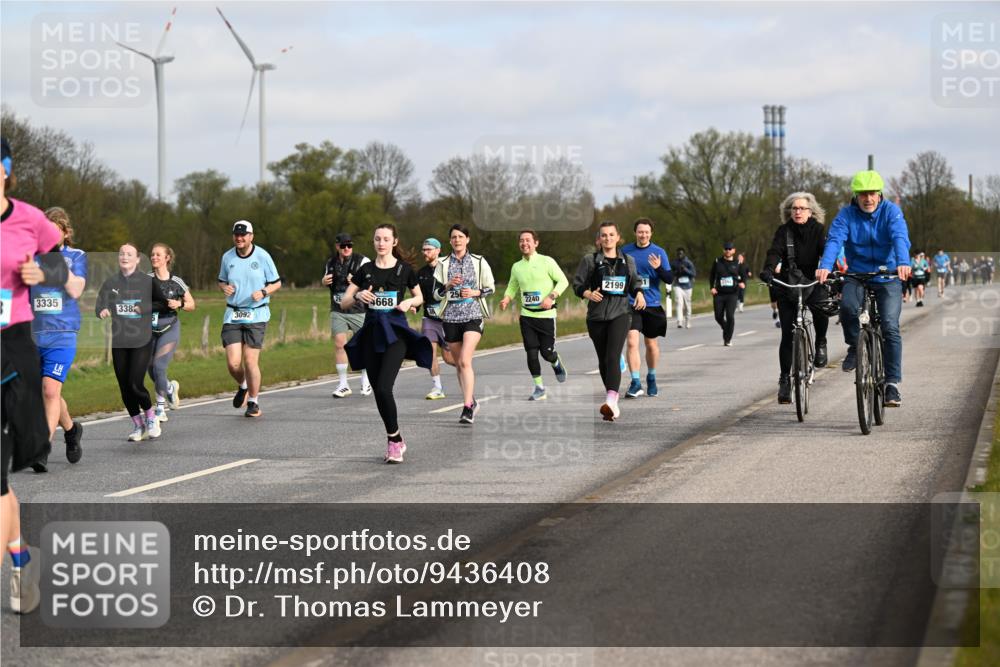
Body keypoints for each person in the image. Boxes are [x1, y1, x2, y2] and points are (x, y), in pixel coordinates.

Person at [2, 136, 70, 614]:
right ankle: (22, 560)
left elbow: (61, 264)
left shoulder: (30, 219)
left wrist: (42, 274)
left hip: (10, 348)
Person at [816, 170, 911, 407]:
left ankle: (892, 384)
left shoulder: (891, 212)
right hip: (857, 274)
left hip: (887, 275)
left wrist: (903, 262)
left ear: (879, 194)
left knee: (889, 325)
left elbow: (900, 237)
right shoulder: (846, 215)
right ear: (855, 196)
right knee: (847, 308)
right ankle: (854, 346)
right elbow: (835, 239)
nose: (867, 198)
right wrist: (826, 266)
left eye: (872, 194)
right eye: (862, 194)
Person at [341, 224, 431, 463]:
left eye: (385, 239)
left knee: (383, 388)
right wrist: (358, 295)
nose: (381, 243)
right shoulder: (366, 270)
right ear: (373, 242)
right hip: (371, 334)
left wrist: (409, 302)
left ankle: (392, 442)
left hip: (395, 334)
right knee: (378, 393)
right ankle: (397, 437)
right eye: (377, 239)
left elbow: (420, 296)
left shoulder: (404, 270)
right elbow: (344, 301)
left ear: (394, 242)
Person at [760, 192, 832, 403]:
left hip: (811, 279)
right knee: (787, 334)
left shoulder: (818, 230)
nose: (798, 211)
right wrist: (768, 269)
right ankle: (784, 380)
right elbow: (774, 251)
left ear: (811, 212)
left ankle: (820, 341)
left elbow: (826, 252)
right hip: (788, 283)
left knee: (821, 307)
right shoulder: (784, 231)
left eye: (802, 208)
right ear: (789, 211)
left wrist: (829, 270)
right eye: (794, 208)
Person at [572, 221, 646, 421]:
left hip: (620, 314)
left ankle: (611, 401)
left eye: (611, 235)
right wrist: (588, 293)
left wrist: (639, 294)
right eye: (604, 235)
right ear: (599, 239)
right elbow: (577, 284)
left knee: (613, 356)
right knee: (604, 360)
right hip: (596, 317)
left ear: (618, 237)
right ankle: (612, 404)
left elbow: (635, 283)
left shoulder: (627, 260)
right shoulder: (590, 260)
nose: (608, 238)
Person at [30, 207, 86, 469]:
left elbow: (76, 290)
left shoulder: (75, 257)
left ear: (65, 233)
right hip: (32, 333)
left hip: (62, 333)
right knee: (45, 391)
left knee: (50, 389)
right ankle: (72, 429)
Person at [97, 243, 167, 441]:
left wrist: (142, 308)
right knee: (124, 387)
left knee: (135, 383)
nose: (124, 256)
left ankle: (151, 417)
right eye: (121, 254)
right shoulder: (111, 283)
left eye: (129, 254)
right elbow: (100, 304)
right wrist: (102, 310)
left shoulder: (147, 282)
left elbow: (162, 303)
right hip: (120, 341)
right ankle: (138, 425)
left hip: (141, 340)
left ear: (137, 260)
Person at [433, 224, 495, 425]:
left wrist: (476, 292)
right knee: (459, 363)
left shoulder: (478, 261)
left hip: (473, 315)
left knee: (466, 361)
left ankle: (467, 407)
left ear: (467, 239)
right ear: (449, 241)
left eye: (460, 236)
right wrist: (447, 285)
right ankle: (472, 400)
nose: (457, 240)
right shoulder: (442, 263)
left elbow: (490, 288)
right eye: (453, 237)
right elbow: (435, 294)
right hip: (450, 317)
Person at [218, 220, 281, 418]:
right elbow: (221, 280)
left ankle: (253, 402)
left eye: (243, 234)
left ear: (251, 236)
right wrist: (224, 287)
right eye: (236, 234)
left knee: (250, 361)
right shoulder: (227, 257)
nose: (239, 238)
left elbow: (276, 283)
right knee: (233, 364)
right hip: (233, 313)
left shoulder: (262, 256)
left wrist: (263, 291)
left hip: (257, 313)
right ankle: (243, 385)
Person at [499, 229, 569, 400]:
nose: (524, 243)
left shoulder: (547, 261)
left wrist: (551, 297)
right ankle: (539, 388)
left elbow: (563, 281)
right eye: (521, 241)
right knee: (531, 352)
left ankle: (555, 361)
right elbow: (513, 286)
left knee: (546, 353)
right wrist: (506, 298)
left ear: (536, 243)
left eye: (528, 240)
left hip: (546, 316)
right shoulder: (517, 267)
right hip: (527, 316)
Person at [621, 218, 672, 398]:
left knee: (651, 344)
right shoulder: (625, 251)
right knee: (632, 342)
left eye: (646, 232)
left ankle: (651, 376)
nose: (643, 235)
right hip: (631, 303)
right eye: (640, 231)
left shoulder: (659, 252)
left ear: (651, 233)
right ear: (635, 232)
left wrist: (659, 269)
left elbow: (669, 279)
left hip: (652, 304)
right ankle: (635, 381)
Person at [148, 243, 195, 422]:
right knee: (151, 370)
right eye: (152, 255)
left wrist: (180, 304)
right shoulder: (146, 279)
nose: (154, 257)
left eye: (158, 255)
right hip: (150, 329)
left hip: (170, 327)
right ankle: (169, 388)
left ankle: (160, 408)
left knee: (159, 366)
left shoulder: (176, 282)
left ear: (167, 258)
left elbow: (192, 304)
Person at [323, 233, 372, 399]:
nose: (346, 249)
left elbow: (371, 282)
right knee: (339, 344)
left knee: (363, 345)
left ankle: (366, 380)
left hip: (359, 309)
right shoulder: (330, 262)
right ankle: (343, 384)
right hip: (338, 309)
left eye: (349, 246)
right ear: (337, 246)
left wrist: (358, 282)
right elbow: (327, 280)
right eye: (343, 246)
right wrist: (324, 281)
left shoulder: (362, 261)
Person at [415, 238, 455, 399]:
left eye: (429, 249)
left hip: (447, 319)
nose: (426, 252)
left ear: (438, 250)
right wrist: (415, 306)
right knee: (430, 353)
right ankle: (437, 387)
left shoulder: (448, 269)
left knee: (448, 357)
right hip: (429, 319)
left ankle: (464, 369)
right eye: (424, 250)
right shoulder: (421, 273)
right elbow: (421, 296)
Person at [709, 242, 749, 346]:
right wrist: (712, 287)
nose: (728, 250)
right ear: (723, 250)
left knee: (730, 315)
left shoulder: (737, 263)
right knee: (718, 316)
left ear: (734, 250)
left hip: (732, 293)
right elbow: (712, 276)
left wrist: (743, 283)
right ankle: (725, 326)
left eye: (730, 249)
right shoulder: (717, 262)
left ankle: (728, 339)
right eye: (726, 249)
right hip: (719, 294)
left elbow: (743, 275)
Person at [672, 247, 696, 328]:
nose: (679, 255)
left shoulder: (689, 263)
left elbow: (693, 274)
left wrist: (685, 269)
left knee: (687, 304)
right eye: (678, 254)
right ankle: (679, 321)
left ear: (684, 254)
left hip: (688, 286)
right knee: (679, 303)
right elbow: (671, 273)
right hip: (677, 285)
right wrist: (677, 271)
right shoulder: (674, 263)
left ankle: (688, 320)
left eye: (681, 254)